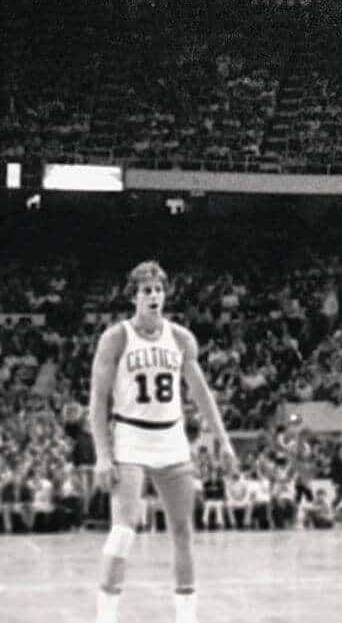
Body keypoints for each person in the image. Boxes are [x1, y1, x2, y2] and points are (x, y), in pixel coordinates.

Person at [89, 261, 237, 623]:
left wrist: (225, 442)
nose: (154, 296)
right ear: (134, 297)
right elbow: (97, 400)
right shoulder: (116, 338)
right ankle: (104, 618)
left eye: (158, 289)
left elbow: (202, 395)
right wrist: (102, 455)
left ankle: (186, 618)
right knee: (124, 529)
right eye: (146, 290)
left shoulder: (182, 339)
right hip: (130, 437)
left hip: (171, 438)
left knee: (183, 531)